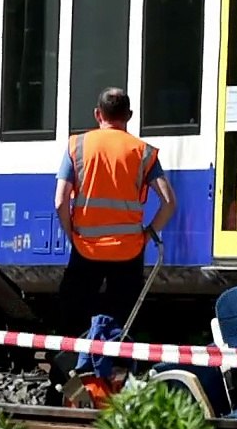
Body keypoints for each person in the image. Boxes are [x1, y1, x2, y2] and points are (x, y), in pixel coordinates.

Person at [55, 88, 176, 337]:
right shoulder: (143, 151)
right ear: (129, 116)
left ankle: (73, 360)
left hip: (86, 249)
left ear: (97, 114)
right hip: (128, 251)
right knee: (121, 322)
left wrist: (72, 235)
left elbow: (60, 201)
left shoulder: (77, 146)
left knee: (72, 318)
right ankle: (114, 360)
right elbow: (169, 203)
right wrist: (147, 235)